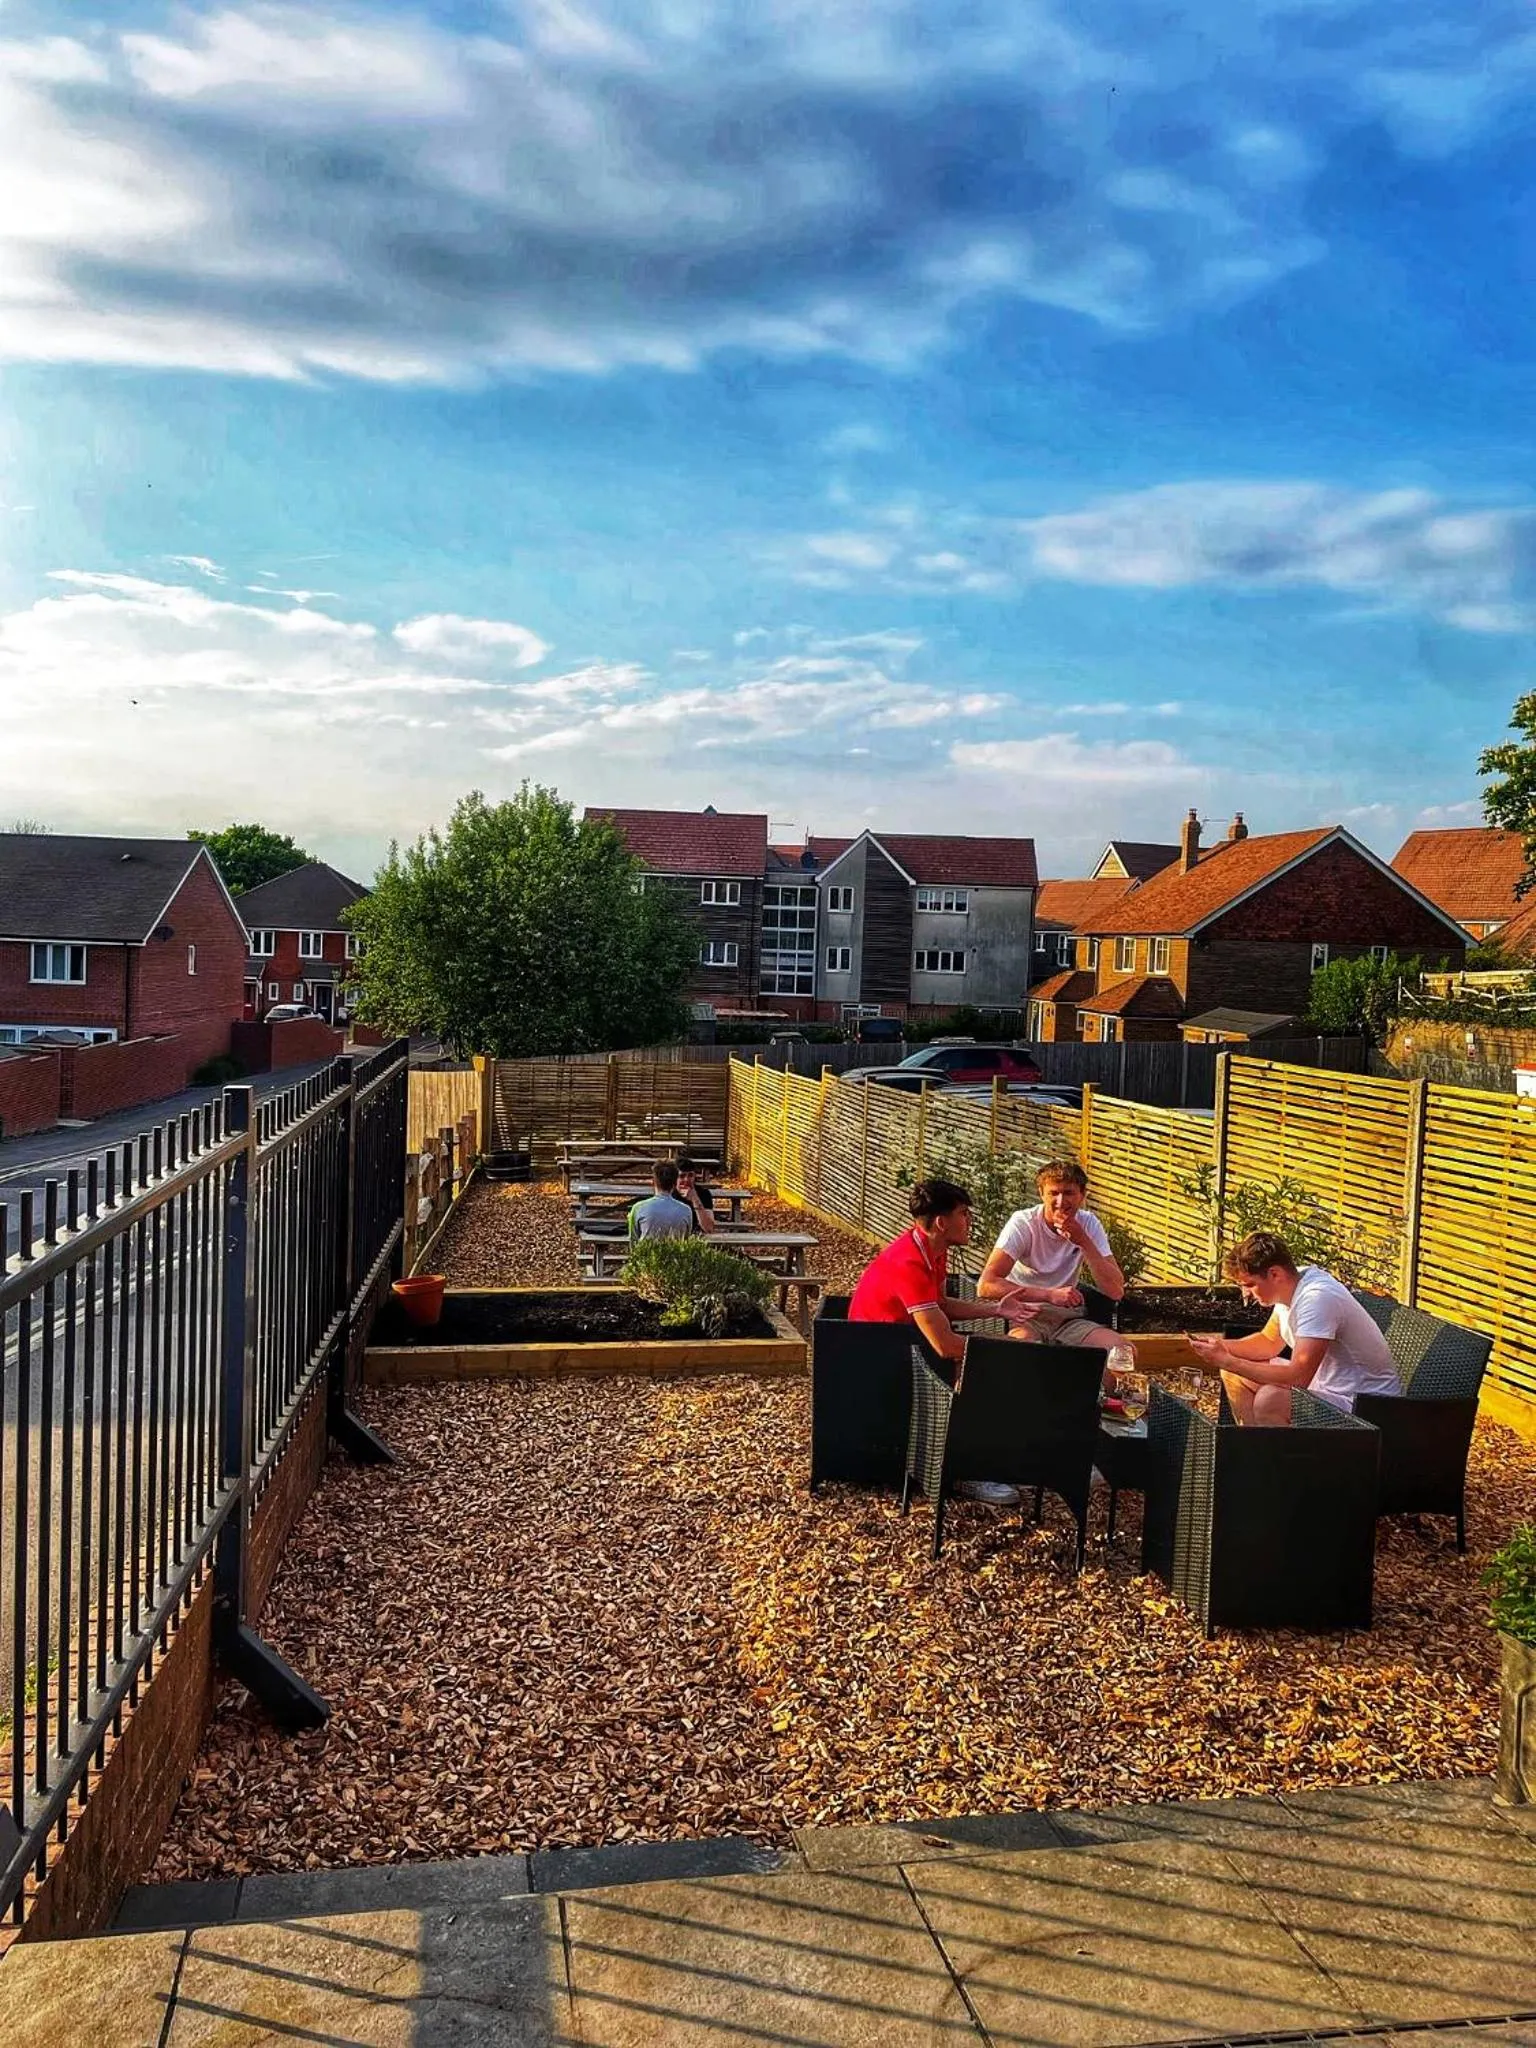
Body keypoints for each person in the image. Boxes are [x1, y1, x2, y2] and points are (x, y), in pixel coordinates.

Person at [848, 1176, 1082, 1506]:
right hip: (879, 1358)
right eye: (963, 1213)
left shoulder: (931, 1248)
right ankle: (966, 1471)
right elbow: (945, 1346)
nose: (969, 1220)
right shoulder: (909, 1263)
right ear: (943, 1223)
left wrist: (997, 1310)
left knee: (998, 1359)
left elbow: (940, 1306)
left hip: (905, 1341)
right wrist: (1001, 1352)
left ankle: (1013, 1458)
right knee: (985, 1365)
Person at [1187, 1231, 1401, 1423]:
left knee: (1270, 1399)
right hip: (1327, 1392)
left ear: (1275, 1274)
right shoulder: (1292, 1283)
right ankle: (1251, 1452)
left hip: (1366, 1407)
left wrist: (1229, 1360)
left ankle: (1274, 1464)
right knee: (1233, 1374)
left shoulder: (1317, 1299)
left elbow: (1298, 1377)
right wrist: (1220, 1347)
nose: (1246, 1294)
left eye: (1250, 1285)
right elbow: (1269, 1342)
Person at [976, 1159, 1129, 1366]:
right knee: (1024, 1354)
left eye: (1068, 1193)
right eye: (1053, 1193)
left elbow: (1115, 1291)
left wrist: (1083, 1241)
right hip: (1025, 1315)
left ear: (1082, 1196)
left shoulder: (1088, 1223)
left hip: (1068, 1319)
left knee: (1121, 1353)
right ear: (1041, 1194)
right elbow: (986, 1285)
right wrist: (1048, 1295)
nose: (1060, 1201)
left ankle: (1099, 1399)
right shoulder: (1024, 1223)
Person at [627, 1161, 695, 1242]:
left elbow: (633, 1240)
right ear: (675, 1183)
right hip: (676, 1254)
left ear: (653, 1182)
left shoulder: (638, 1208)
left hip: (646, 1254)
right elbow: (686, 1239)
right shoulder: (686, 1210)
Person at [674, 1153, 717, 1235]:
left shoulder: (704, 1194)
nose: (686, 1180)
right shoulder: (669, 1193)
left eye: (690, 1175)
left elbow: (709, 1228)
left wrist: (695, 1200)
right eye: (682, 1176)